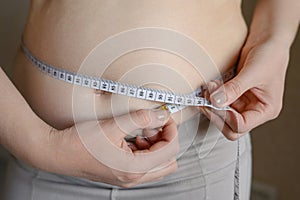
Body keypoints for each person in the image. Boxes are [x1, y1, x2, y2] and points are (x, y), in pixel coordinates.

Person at [0, 0, 299, 200]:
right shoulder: (39, 146)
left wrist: (274, 39)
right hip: (38, 145)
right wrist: (41, 146)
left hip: (195, 156)